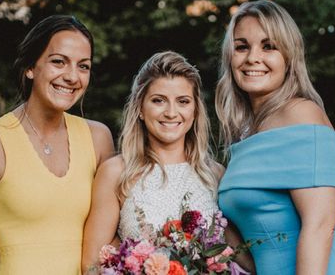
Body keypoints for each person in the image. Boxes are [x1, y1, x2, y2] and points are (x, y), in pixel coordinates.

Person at [0, 15, 114, 275]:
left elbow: (111, 240)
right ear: (30, 67)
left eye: (83, 66)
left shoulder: (99, 139)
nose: (72, 76)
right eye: (58, 62)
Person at [216, 0, 335, 275]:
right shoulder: (247, 131)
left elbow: (320, 225)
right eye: (241, 46)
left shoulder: (302, 114)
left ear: (289, 56)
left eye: (268, 46)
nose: (252, 57)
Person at [82, 51, 239, 272]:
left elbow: (238, 255)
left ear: (194, 111)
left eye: (183, 101)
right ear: (140, 109)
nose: (171, 112)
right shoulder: (116, 172)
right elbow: (91, 263)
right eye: (158, 101)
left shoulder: (216, 174)